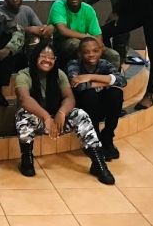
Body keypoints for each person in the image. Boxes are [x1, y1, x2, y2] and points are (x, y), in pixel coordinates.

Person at [15, 41, 115, 184]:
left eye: (51, 58)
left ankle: (98, 163)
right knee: (22, 114)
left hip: (57, 120)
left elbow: (69, 97)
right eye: (43, 56)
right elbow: (24, 99)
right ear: (35, 57)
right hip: (38, 120)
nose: (47, 60)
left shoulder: (59, 74)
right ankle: (27, 158)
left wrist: (61, 113)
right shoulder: (24, 74)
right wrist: (45, 117)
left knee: (80, 114)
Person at [66, 37, 127, 161]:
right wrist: (107, 81)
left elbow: (122, 81)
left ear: (100, 51)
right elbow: (78, 86)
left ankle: (108, 136)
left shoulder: (104, 64)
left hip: (101, 106)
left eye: (95, 51)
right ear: (80, 54)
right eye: (86, 52)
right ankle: (94, 140)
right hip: (84, 108)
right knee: (90, 94)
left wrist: (89, 76)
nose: (91, 55)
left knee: (116, 93)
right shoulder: (73, 64)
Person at [49, 0, 120, 69]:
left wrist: (98, 46)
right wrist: (87, 38)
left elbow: (97, 34)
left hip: (85, 43)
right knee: (76, 45)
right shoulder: (58, 5)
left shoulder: (88, 9)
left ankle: (112, 79)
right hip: (61, 44)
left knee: (113, 55)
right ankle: (78, 75)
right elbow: (63, 31)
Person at [0, 0, 53, 68]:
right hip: (5, 49)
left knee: (38, 38)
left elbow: (40, 28)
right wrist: (28, 30)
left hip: (25, 50)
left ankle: (36, 67)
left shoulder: (27, 10)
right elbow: (5, 31)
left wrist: (47, 28)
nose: (15, 0)